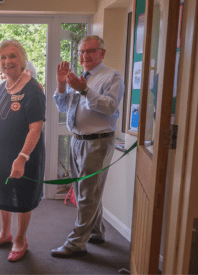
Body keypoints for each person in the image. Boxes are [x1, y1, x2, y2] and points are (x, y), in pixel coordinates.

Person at [51, 35, 125, 258]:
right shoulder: (79, 77)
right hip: (77, 140)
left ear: (102, 53)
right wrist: (62, 84)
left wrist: (84, 90)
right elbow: (64, 107)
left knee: (87, 195)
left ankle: (76, 244)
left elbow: (110, 107)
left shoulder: (111, 76)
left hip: (98, 141)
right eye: (82, 51)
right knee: (85, 191)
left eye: (90, 51)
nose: (85, 56)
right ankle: (96, 231)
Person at [0, 39, 45, 262]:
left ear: (22, 59)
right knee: (3, 193)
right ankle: (5, 233)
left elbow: (36, 128)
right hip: (1, 153)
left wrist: (22, 158)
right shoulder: (1, 87)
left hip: (24, 155)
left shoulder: (32, 88)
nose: (7, 61)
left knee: (23, 195)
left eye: (12, 56)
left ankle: (20, 239)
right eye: (3, 57)